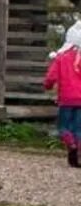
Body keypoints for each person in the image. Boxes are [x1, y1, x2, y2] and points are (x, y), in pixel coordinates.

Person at [46, 21, 81, 168]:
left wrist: (47, 86)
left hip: (66, 99)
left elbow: (51, 77)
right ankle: (76, 155)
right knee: (78, 128)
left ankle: (71, 145)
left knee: (64, 128)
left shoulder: (61, 57)